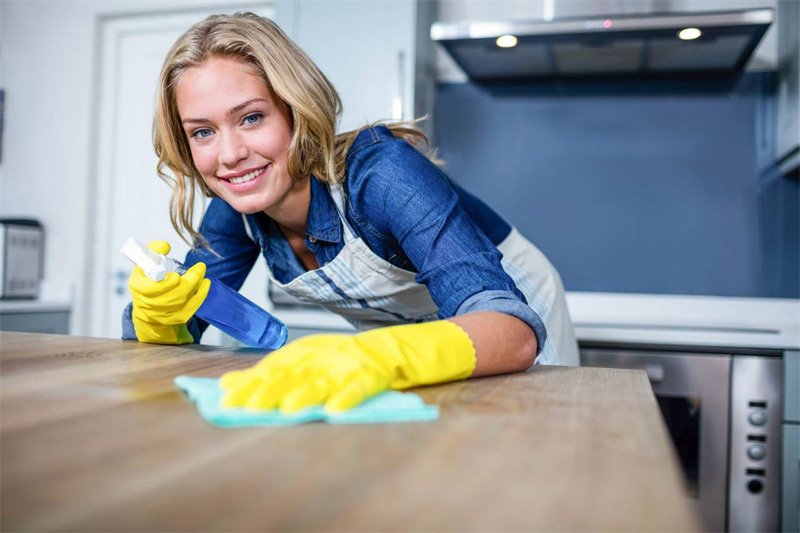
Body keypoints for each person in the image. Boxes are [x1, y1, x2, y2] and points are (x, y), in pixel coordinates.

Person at [123, 12, 579, 413]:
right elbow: (186, 331)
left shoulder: (383, 175)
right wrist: (159, 316)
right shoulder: (236, 210)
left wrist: (378, 356)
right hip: (408, 344)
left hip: (504, 309)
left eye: (251, 118)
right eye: (203, 132)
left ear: (295, 109)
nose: (229, 155)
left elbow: (513, 332)